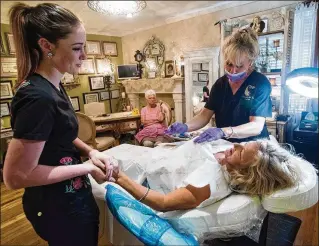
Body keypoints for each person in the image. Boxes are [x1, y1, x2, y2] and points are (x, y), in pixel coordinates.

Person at [3, 3, 113, 246]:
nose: (84, 56)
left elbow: (59, 133)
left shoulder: (53, 85)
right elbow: (16, 177)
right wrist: (86, 168)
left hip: (69, 199)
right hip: (58, 209)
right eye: (76, 48)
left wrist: (91, 151)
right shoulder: (37, 98)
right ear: (46, 45)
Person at [108, 139, 301, 212]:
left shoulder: (208, 182)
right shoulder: (228, 162)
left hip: (141, 172)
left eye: (240, 152)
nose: (235, 146)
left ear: (245, 173)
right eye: (244, 143)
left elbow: (164, 203)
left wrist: (119, 177)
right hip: (156, 155)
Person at [165, 28, 272, 144]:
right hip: (227, 145)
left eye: (239, 66)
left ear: (250, 62)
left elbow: (256, 125)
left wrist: (223, 132)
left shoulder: (260, 83)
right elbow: (204, 116)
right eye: (229, 64)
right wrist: (185, 126)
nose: (233, 71)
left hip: (253, 145)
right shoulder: (220, 85)